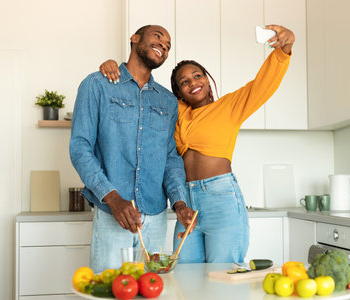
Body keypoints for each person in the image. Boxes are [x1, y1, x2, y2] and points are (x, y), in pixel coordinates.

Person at [99, 24, 295, 263]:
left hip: (220, 197)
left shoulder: (229, 107)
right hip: (185, 202)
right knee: (184, 275)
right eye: (184, 82)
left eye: (197, 76)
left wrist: (284, 48)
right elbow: (142, 86)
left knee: (223, 275)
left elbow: (263, 84)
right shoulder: (176, 110)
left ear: (208, 80)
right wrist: (114, 68)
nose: (192, 83)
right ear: (179, 93)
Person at [70, 25, 196, 273]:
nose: (164, 45)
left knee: (152, 290)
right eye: (158, 37)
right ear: (135, 38)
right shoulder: (97, 85)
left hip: (156, 217)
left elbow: (170, 158)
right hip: (111, 213)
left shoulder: (167, 101)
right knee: (109, 289)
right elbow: (79, 148)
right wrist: (113, 198)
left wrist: (179, 202)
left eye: (169, 45)